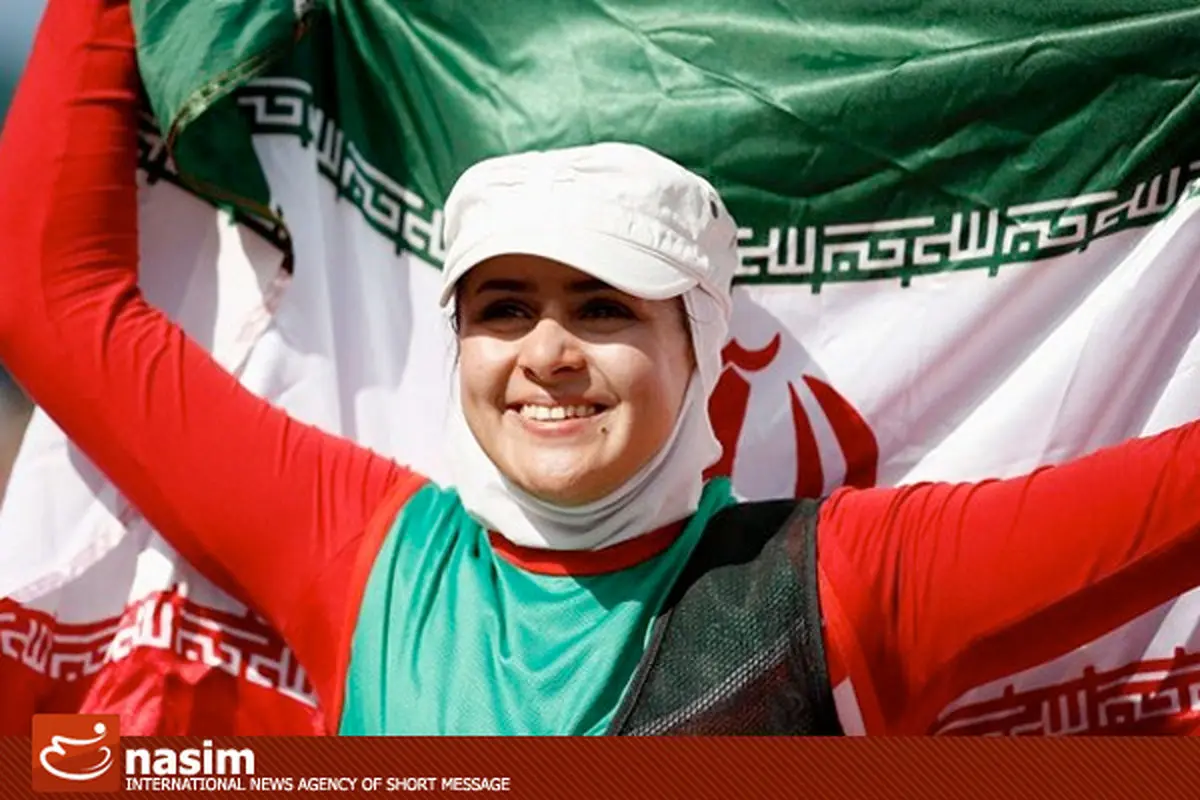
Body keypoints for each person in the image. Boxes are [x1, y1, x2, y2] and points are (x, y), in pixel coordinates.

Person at [2, 0, 1199, 736]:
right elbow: (51, 307)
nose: (547, 353)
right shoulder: (370, 561)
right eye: (504, 307)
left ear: (703, 345)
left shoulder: (845, 587)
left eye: (605, 306)